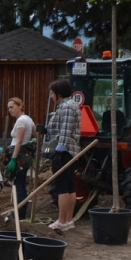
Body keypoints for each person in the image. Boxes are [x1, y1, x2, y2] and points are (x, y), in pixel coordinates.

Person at [46, 80, 81, 231]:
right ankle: (68, 221)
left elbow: (65, 131)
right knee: (69, 186)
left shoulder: (67, 107)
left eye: (52, 93)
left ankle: (61, 221)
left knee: (62, 187)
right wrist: (45, 130)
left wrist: (59, 152)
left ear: (59, 94)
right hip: (69, 150)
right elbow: (59, 128)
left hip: (65, 151)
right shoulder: (68, 106)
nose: (51, 96)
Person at [5, 97, 35, 219]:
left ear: (20, 106)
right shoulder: (28, 119)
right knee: (19, 183)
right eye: (8, 108)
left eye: (12, 107)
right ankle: (19, 211)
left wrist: (13, 159)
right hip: (23, 155)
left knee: (19, 185)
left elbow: (19, 141)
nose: (10, 110)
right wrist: (33, 139)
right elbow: (36, 134)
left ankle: (20, 213)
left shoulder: (21, 121)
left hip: (20, 156)